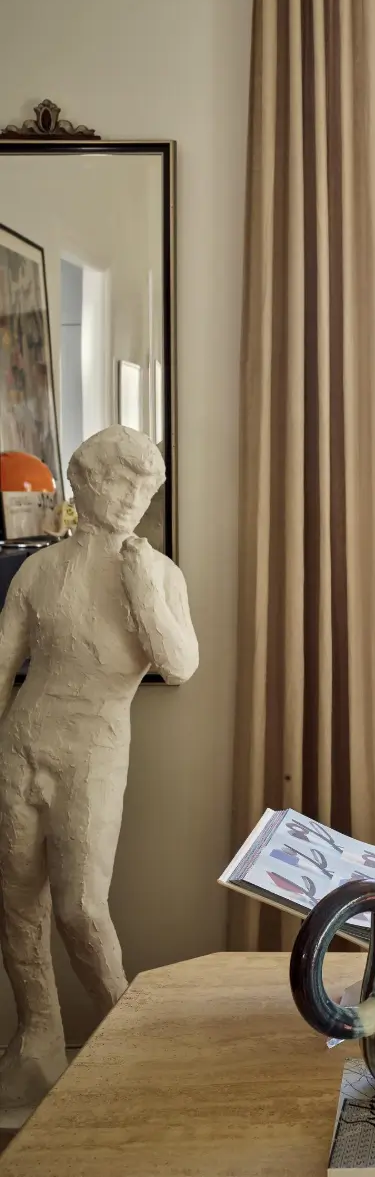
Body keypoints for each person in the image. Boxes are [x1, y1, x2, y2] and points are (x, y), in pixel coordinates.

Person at [0, 426, 199, 1108]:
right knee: (16, 904)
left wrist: (144, 590)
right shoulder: (41, 570)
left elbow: (180, 664)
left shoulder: (156, 570)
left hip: (94, 752)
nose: (129, 498)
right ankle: (38, 1042)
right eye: (116, 480)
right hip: (21, 747)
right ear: (82, 483)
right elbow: (3, 663)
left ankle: (129, 1042)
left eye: (143, 487)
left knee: (81, 907)